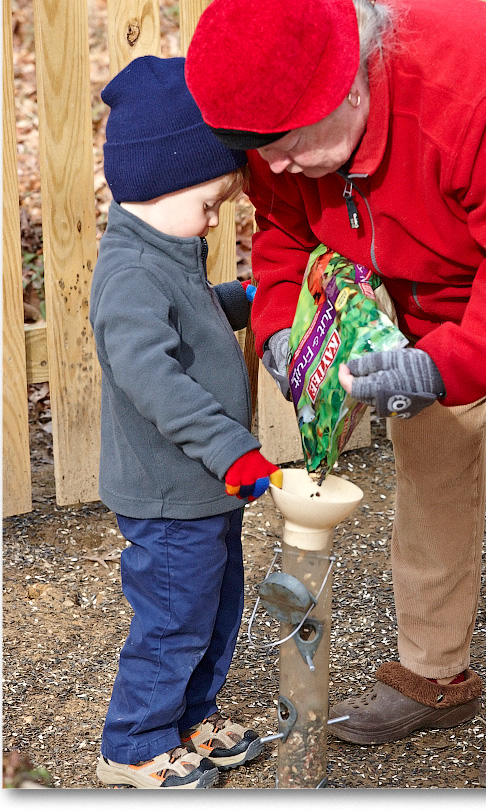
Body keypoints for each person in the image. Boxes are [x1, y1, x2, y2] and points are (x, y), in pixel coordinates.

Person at [184, 0, 486, 789]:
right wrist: (282, 332)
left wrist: (444, 365)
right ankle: (433, 675)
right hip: (433, 292)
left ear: (355, 77)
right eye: (257, 151)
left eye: (289, 144)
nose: (276, 166)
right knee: (429, 471)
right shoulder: (280, 131)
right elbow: (287, 239)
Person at [89, 55, 282, 789]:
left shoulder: (169, 249)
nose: (212, 217)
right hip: (171, 495)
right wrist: (235, 449)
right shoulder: (131, 272)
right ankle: (132, 746)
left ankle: (187, 720)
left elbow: (193, 318)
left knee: (213, 609)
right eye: (208, 202)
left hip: (204, 491)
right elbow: (154, 380)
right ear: (160, 178)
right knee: (172, 622)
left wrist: (252, 296)